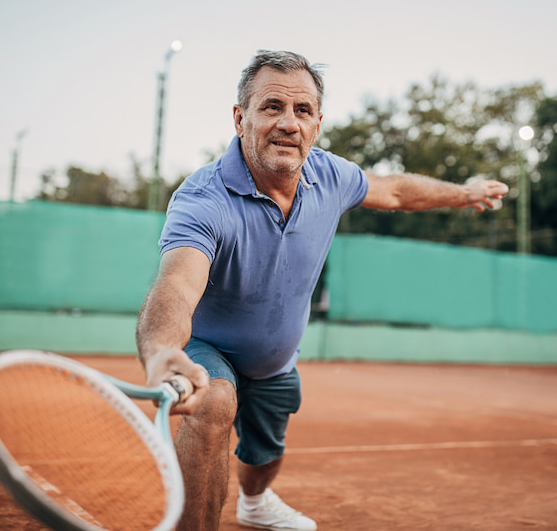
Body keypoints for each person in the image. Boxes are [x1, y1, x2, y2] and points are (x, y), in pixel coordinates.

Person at [135, 50, 508, 531]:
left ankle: (255, 503)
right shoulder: (203, 198)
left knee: (265, 456)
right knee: (214, 404)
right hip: (208, 347)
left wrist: (463, 193)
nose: (288, 123)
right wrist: (163, 350)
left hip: (275, 361)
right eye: (272, 107)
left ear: (317, 125)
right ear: (240, 118)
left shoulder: (330, 176)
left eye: (303, 110)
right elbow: (177, 283)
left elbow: (395, 190)